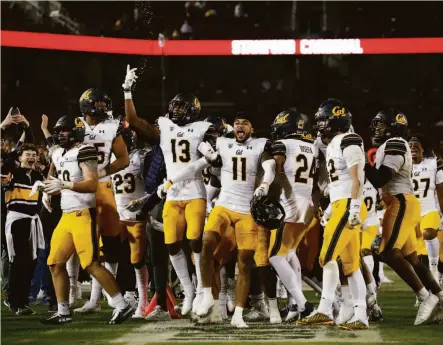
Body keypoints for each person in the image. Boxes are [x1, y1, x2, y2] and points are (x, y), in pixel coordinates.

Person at [122, 65, 216, 316]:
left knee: (195, 241)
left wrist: (210, 154)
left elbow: (216, 156)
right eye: (174, 105)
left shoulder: (202, 129)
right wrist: (128, 90)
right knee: (172, 244)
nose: (176, 110)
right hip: (172, 195)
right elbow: (133, 122)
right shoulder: (164, 126)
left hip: (194, 191)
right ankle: (189, 291)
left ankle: (201, 289)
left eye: (182, 106)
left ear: (193, 109)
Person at [41, 115, 134, 325]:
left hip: (84, 213)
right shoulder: (59, 153)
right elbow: (52, 168)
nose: (59, 135)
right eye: (57, 131)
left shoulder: (85, 151)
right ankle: (63, 311)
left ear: (75, 131)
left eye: (63, 131)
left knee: (91, 263)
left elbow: (92, 184)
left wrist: (64, 186)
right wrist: (44, 189)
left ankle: (121, 304)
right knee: (55, 262)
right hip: (66, 215)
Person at [196, 112, 276, 328]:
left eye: (246, 123)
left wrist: (265, 185)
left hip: (246, 210)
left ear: (252, 128)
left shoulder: (261, 144)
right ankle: (206, 297)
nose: (240, 126)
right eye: (237, 123)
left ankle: (238, 314)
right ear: (233, 127)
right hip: (223, 205)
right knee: (206, 244)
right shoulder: (222, 143)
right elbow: (203, 163)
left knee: (244, 263)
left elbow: (270, 167)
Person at [365, 108, 443, 325]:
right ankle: (440, 297)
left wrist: (360, 162)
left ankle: (425, 297)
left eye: (380, 124)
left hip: (401, 201)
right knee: (413, 259)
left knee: (388, 253)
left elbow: (381, 178)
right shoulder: (389, 145)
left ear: (393, 126)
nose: (376, 128)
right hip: (399, 201)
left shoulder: (396, 143)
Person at [297, 101, 369, 330]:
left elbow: (358, 178)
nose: (319, 124)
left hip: (349, 204)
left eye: (323, 119)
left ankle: (325, 308)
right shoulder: (334, 144)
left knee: (326, 256)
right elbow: (340, 182)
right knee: (350, 265)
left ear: (338, 119)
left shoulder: (349, 140)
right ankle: (361, 315)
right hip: (341, 203)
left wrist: (355, 208)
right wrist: (330, 208)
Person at [75, 88, 130, 313]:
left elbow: (124, 159)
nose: (102, 108)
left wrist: (103, 171)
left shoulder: (112, 126)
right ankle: (75, 293)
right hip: (77, 188)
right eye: (97, 104)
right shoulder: (74, 124)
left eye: (104, 104)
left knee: (109, 243)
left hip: (104, 186)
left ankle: (101, 297)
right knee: (81, 243)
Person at [267, 109, 317, 322]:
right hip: (307, 205)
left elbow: (276, 174)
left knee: (275, 256)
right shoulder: (312, 146)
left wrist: (266, 195)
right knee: (290, 253)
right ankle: (296, 305)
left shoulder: (283, 145)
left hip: (289, 205)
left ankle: (304, 305)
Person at [111, 127, 150, 318]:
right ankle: (118, 295)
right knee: (109, 254)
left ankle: (143, 302)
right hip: (118, 216)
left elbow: (155, 184)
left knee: (137, 260)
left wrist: (143, 202)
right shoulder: (112, 161)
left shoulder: (141, 157)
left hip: (137, 217)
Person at [3, 142, 45, 315]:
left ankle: (23, 301)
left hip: (33, 222)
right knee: (18, 261)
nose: (31, 157)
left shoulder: (38, 175)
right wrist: (15, 151)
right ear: (19, 158)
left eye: (33, 154)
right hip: (16, 221)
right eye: (27, 154)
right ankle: (14, 301)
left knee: (31, 263)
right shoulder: (12, 174)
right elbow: (5, 162)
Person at [409, 135, 443, 283]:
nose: (413, 147)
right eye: (410, 146)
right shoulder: (403, 166)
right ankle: (424, 292)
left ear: (423, 148)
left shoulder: (434, 164)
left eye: (416, 145)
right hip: (411, 215)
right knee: (416, 256)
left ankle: (434, 268)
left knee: (428, 233)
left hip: (430, 210)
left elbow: (441, 192)